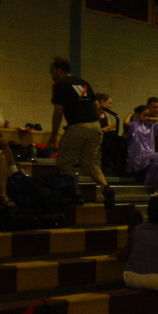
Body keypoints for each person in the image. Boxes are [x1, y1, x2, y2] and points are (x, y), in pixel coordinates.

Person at [48, 57, 115, 206]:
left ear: (59, 70)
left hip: (77, 126)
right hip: (95, 127)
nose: (50, 73)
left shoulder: (59, 85)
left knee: (65, 163)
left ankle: (77, 195)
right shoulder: (84, 83)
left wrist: (53, 136)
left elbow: (58, 112)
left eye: (51, 70)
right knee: (91, 164)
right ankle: (106, 187)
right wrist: (95, 124)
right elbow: (97, 108)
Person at [125, 105, 158, 191]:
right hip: (137, 156)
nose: (146, 117)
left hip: (149, 155)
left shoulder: (151, 125)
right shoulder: (133, 124)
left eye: (147, 115)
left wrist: (150, 119)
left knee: (157, 164)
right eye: (144, 115)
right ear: (138, 114)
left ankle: (151, 185)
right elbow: (125, 123)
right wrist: (130, 114)